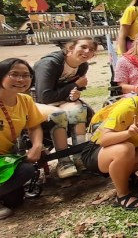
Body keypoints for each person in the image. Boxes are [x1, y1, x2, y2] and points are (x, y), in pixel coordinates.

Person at [80, 69, 138, 210]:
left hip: (128, 151)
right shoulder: (129, 106)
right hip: (98, 152)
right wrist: (128, 133)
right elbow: (104, 140)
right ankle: (122, 195)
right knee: (125, 148)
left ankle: (125, 174)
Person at [33, 37, 98, 178]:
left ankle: (80, 156)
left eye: (91, 50)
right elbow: (44, 97)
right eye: (83, 47)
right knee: (58, 115)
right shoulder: (50, 64)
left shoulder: (82, 65)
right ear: (70, 48)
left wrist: (73, 95)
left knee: (79, 110)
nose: (87, 51)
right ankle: (63, 161)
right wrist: (75, 86)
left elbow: (71, 90)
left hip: (60, 100)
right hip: (37, 103)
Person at [0, 59, 44, 219]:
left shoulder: (25, 100)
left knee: (15, 201)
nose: (20, 80)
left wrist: (37, 145)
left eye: (26, 75)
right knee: (26, 170)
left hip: (5, 159)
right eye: (14, 74)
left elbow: (34, 126)